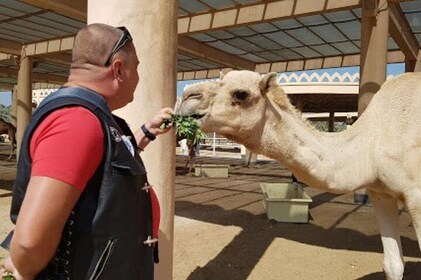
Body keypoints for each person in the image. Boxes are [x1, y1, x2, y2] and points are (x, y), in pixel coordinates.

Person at [0, 23, 173, 280]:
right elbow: (28, 244)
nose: (138, 77)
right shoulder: (77, 121)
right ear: (117, 69)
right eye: (136, 67)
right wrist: (24, 269)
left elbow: (103, 165)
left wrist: (146, 132)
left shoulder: (91, 117)